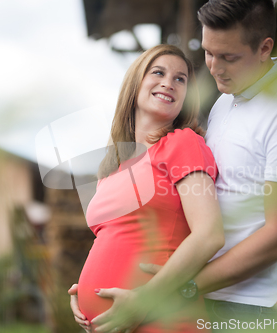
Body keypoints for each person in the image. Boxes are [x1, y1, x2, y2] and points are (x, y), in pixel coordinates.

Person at [70, 0, 277, 331]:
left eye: (228, 57)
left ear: (264, 48)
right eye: (208, 52)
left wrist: (183, 287)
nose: (214, 67)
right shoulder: (224, 103)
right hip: (208, 298)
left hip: (257, 308)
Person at [72, 44, 225, 333]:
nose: (169, 82)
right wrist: (85, 292)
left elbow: (209, 235)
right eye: (159, 72)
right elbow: (117, 239)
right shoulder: (113, 166)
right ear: (135, 83)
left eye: (181, 79)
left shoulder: (182, 143)